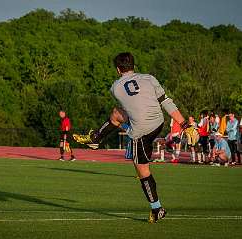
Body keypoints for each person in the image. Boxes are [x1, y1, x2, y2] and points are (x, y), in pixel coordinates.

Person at [73, 52, 188, 223]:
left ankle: (157, 209)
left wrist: (128, 127)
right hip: (158, 123)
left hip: (141, 131)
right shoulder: (150, 78)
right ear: (134, 65)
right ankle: (96, 139)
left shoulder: (115, 87)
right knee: (116, 114)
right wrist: (184, 124)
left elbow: (132, 105)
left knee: (142, 172)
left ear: (118, 69)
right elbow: (165, 101)